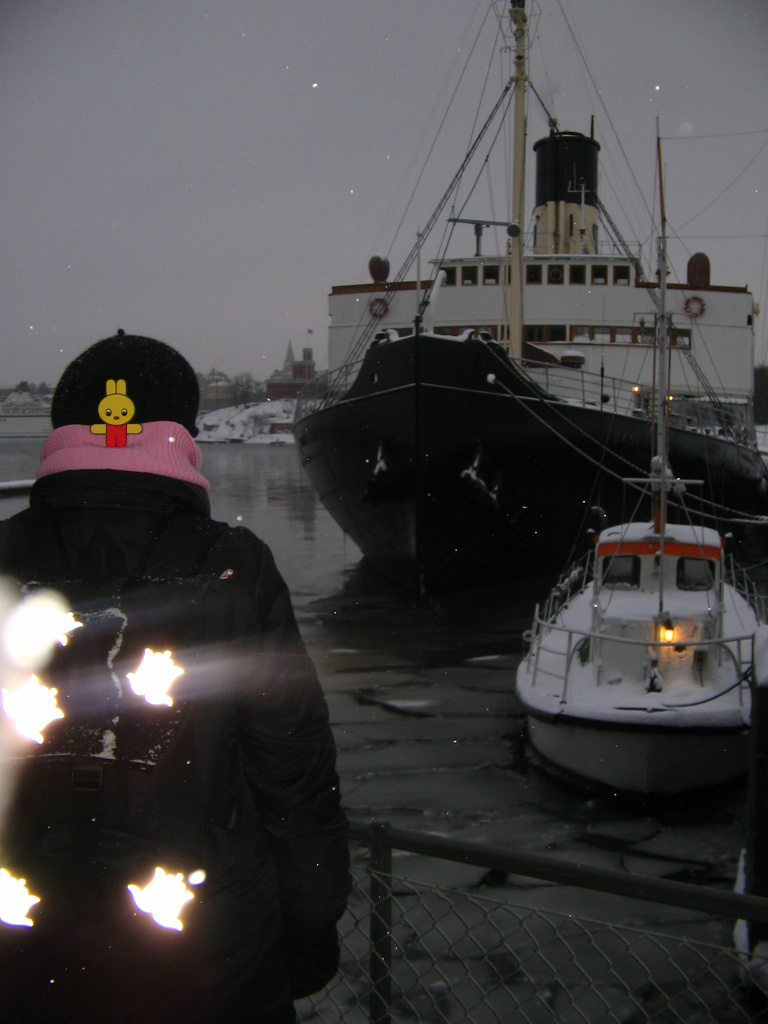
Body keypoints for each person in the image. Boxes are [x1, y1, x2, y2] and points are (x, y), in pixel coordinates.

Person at [0, 332, 350, 1024]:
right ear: (182, 437)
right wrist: (312, 916)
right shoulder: (233, 567)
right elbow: (294, 773)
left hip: (22, 951)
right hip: (208, 963)